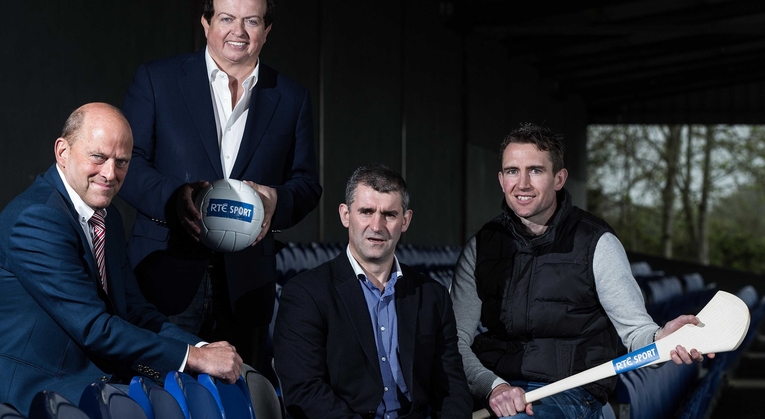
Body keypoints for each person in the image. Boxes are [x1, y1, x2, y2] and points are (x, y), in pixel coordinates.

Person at [0, 103, 242, 413]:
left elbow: (136, 312)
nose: (110, 174)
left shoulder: (105, 217)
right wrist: (193, 357)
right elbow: (94, 328)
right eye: (98, 157)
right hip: (27, 389)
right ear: (62, 151)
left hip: (86, 374)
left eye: (121, 161)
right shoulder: (37, 219)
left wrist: (203, 348)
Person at [118, 0, 321, 370]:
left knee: (238, 400)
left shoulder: (292, 97)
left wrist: (275, 200)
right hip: (164, 274)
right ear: (206, 23)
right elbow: (129, 163)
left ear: (267, 29)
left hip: (246, 286)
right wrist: (176, 201)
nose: (238, 31)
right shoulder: (157, 80)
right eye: (227, 18)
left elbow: (307, 184)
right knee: (162, 399)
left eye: (252, 20)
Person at [450, 123, 709, 418]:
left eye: (535, 170)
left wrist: (661, 340)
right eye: (512, 171)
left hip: (567, 393)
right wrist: (493, 387)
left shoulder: (597, 242)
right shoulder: (481, 245)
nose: (522, 183)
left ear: (559, 178)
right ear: (500, 179)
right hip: (495, 389)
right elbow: (454, 339)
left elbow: (637, 331)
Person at [273, 164, 472, 419]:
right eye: (366, 212)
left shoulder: (432, 295)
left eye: (389, 214)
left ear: (405, 220)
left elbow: (452, 388)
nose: (377, 226)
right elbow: (305, 392)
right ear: (345, 215)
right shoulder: (306, 294)